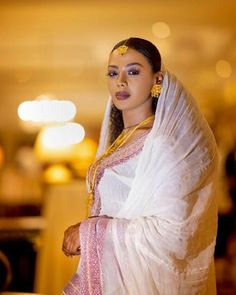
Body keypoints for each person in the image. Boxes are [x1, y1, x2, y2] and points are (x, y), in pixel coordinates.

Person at [62, 37, 218, 294]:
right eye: (113, 73)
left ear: (157, 80)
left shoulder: (164, 146)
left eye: (133, 71)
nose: (120, 81)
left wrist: (90, 233)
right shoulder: (119, 141)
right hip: (110, 277)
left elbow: (174, 236)